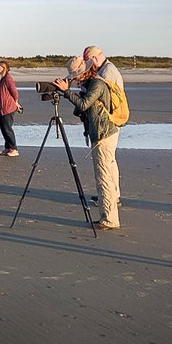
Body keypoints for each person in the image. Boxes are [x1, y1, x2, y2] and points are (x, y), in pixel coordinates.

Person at [54, 56, 122, 230]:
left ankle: (109, 219)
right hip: (102, 132)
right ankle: (109, 216)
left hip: (103, 134)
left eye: (76, 76)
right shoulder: (90, 84)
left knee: (103, 176)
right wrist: (73, 92)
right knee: (104, 174)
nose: (75, 79)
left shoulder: (97, 84)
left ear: (85, 72)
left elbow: (83, 105)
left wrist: (67, 92)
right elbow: (81, 109)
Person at [0, 60, 20, 157]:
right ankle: (8, 147)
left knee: (7, 128)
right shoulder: (3, 79)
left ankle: (13, 148)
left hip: (8, 107)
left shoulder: (8, 78)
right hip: (2, 107)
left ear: (4, 68)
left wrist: (16, 102)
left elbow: (14, 91)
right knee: (3, 128)